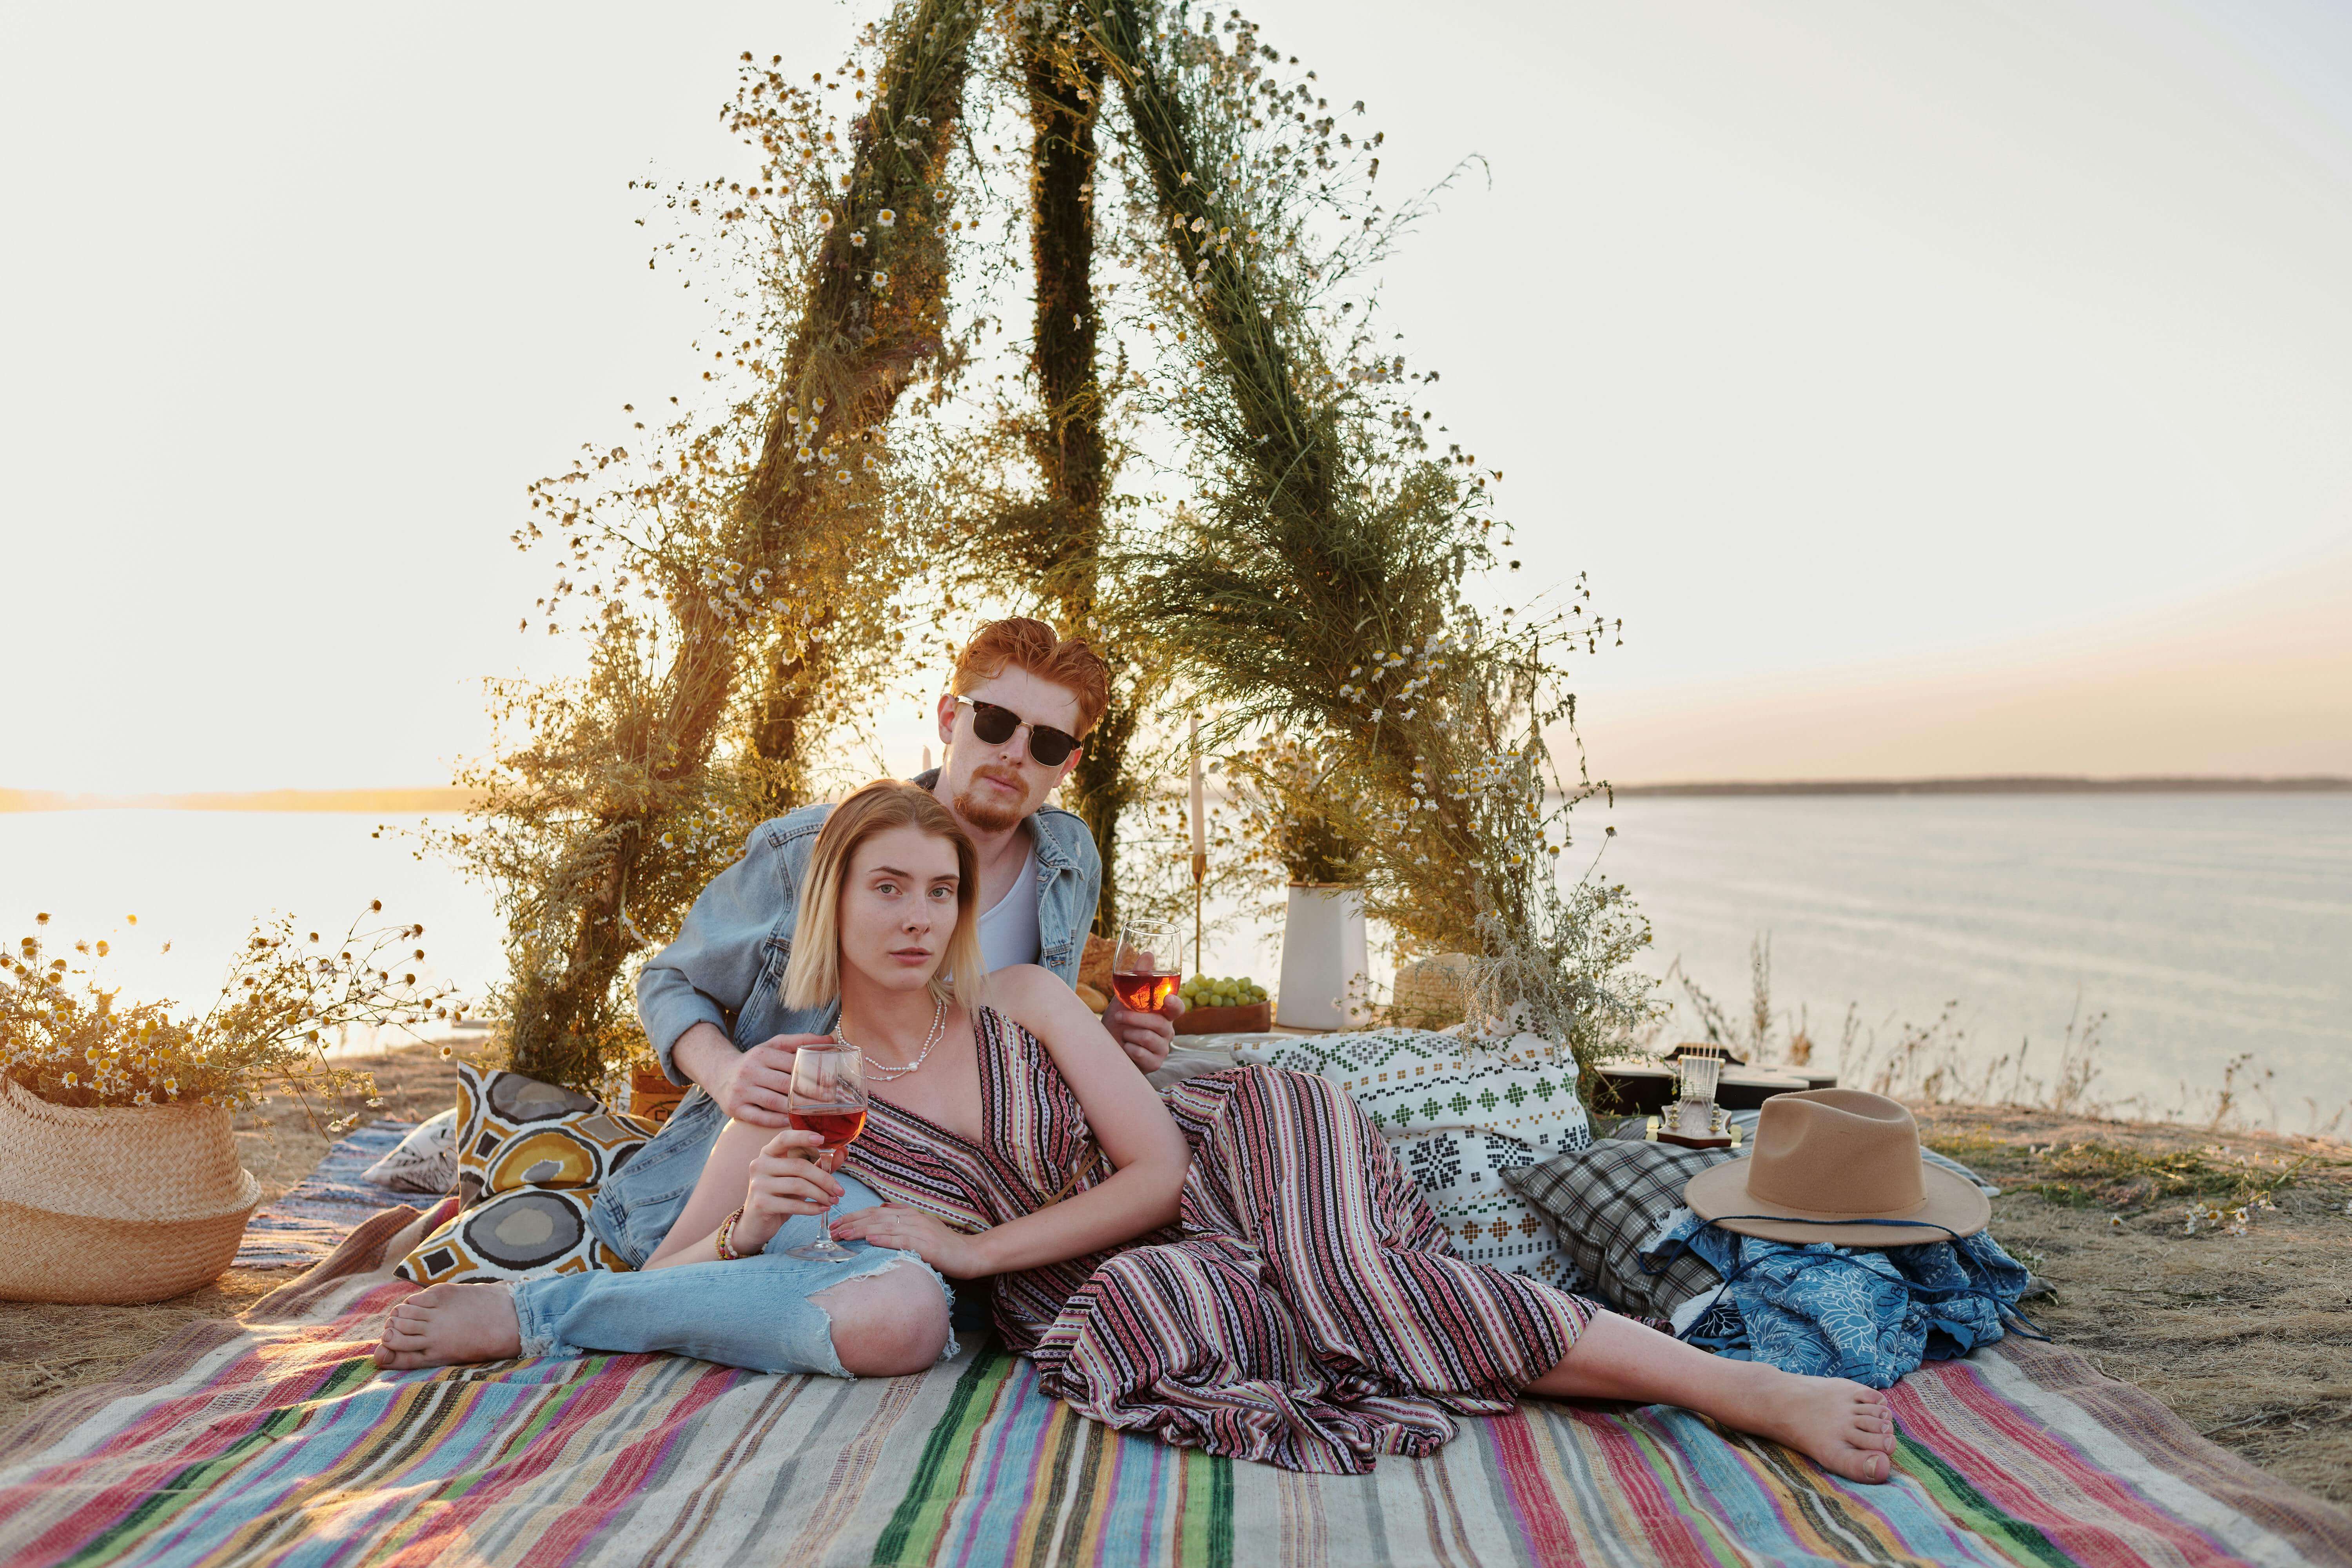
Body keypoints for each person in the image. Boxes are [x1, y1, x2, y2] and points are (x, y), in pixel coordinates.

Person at [379, 782, 1900, 1483]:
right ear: (831, 898)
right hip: (1106, 1269)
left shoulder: (1033, 995)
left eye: (938, 890)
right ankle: (543, 1315)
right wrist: (764, 1213)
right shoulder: (791, 1072)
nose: (917, 917)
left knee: (1357, 1287)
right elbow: (708, 1256)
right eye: (885, 887)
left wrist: (969, 1241)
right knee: (1149, 1315)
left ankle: (1737, 1385)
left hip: (1242, 1145)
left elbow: (1163, 1164)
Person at [581, 617, 1177, 1269]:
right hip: (813, 1150)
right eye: (997, 723)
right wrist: (727, 1074)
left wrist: (1106, 1042)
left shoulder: (1069, 861)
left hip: (986, 1192)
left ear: (1068, 764)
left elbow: (1016, 1054)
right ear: (951, 718)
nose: (1014, 754)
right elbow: (668, 981)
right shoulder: (814, 850)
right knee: (882, 1286)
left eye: (1048, 742)